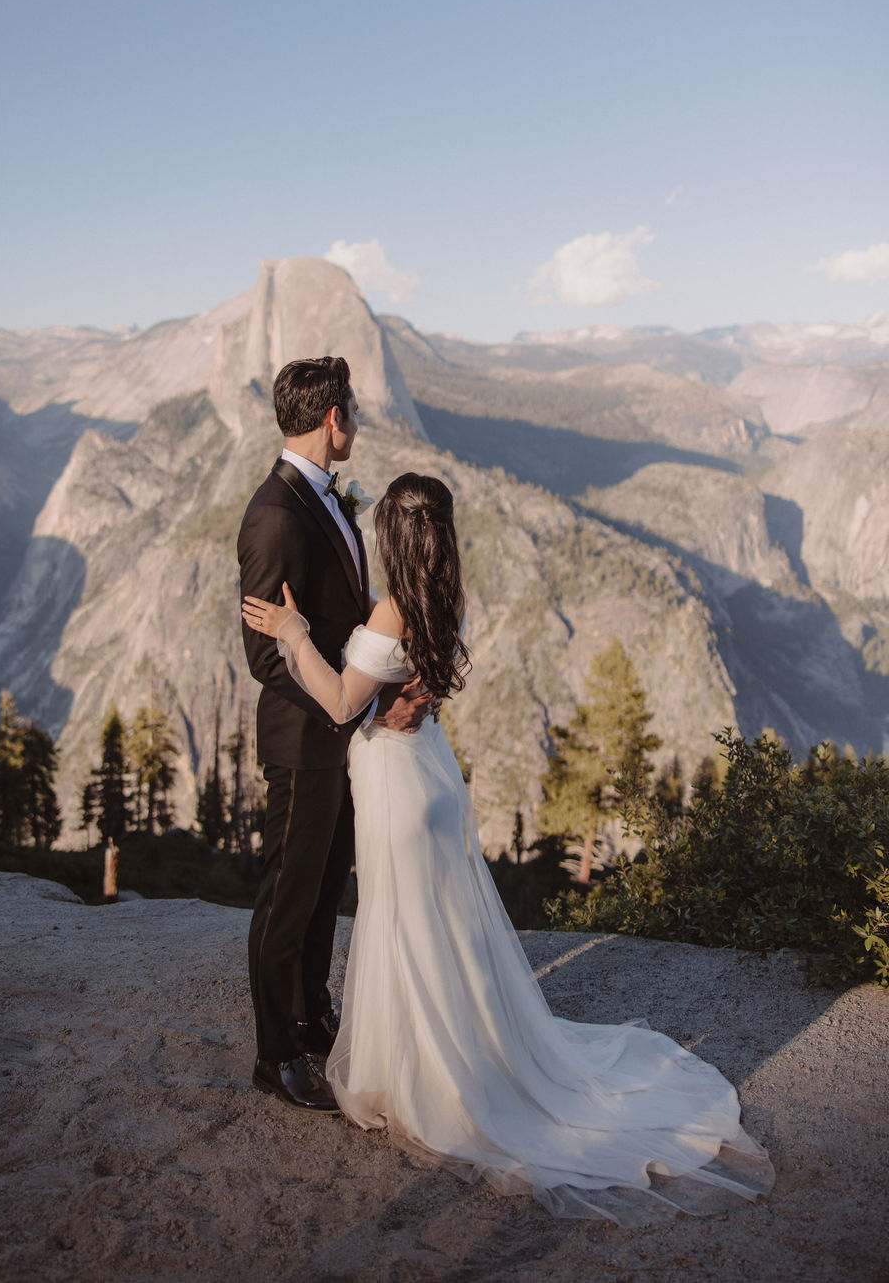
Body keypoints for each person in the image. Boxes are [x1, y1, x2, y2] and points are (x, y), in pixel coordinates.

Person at [241, 471, 774, 1219]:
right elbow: (401, 674)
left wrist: (295, 635)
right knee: (441, 925)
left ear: (394, 539)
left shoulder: (392, 609)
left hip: (394, 784)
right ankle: (456, 1051)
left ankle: (423, 1073)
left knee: (404, 922)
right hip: (432, 774)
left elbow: (336, 702)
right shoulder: (440, 600)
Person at [237, 357, 429, 1114]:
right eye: (352, 407)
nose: (356, 419)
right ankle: (274, 1052)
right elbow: (264, 655)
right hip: (302, 740)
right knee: (285, 898)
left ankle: (313, 1016)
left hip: (341, 735)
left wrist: (379, 679)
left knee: (322, 892)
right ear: (331, 418)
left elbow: (345, 617)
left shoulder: (323, 498)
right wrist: (351, 701)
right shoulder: (275, 515)